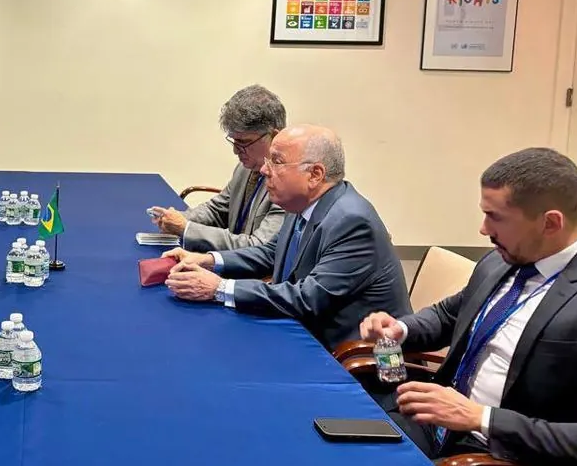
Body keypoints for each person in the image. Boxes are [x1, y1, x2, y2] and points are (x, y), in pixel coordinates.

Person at [360, 148, 577, 466]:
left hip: (500, 462)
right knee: (338, 456)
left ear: (550, 223)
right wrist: (400, 329)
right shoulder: (499, 261)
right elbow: (450, 316)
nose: (483, 229)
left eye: (496, 217)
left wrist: (480, 418)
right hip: (435, 427)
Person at [163, 125, 410, 350]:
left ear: (315, 174)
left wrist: (219, 288)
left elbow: (307, 298)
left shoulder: (352, 222)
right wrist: (208, 260)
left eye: (277, 161)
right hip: (300, 332)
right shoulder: (302, 203)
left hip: (349, 358)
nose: (264, 170)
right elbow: (271, 253)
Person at [148, 85, 286, 251]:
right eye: (234, 141)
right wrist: (178, 218)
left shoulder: (290, 183)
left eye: (244, 142)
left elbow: (258, 247)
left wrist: (186, 228)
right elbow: (218, 210)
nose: (236, 150)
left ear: (274, 137)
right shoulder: (245, 168)